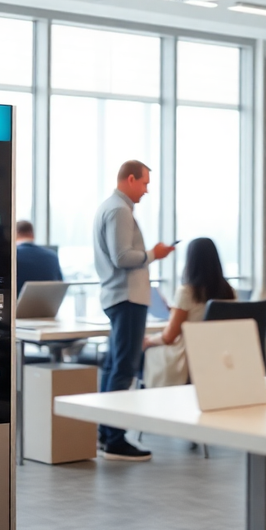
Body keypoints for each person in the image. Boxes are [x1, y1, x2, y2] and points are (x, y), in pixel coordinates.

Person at [92, 160, 174, 461]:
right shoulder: (119, 210)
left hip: (120, 296)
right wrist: (155, 253)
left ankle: (105, 432)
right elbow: (123, 257)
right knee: (124, 367)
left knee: (115, 365)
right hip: (126, 297)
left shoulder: (112, 207)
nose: (147, 190)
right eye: (144, 183)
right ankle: (114, 438)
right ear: (130, 179)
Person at [142, 238, 236, 387]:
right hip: (217, 356)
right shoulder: (230, 292)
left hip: (188, 357)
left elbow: (169, 337)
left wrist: (148, 340)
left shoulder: (187, 292)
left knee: (145, 352)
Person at [14, 220, 63, 295]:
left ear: (15, 234)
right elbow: (60, 283)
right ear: (32, 235)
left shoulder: (13, 255)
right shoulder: (52, 256)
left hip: (16, 304)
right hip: (47, 304)